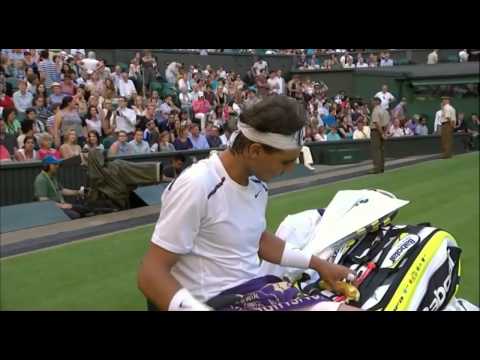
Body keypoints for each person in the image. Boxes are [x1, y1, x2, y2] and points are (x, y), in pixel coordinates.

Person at [137, 95, 357, 312]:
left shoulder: (257, 184)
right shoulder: (196, 184)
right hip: (216, 302)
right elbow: (151, 274)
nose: (290, 169)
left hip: (257, 293)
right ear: (255, 151)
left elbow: (256, 239)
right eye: (286, 161)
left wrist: (320, 264)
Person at [33, 155, 88, 219]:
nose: (57, 166)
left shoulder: (52, 176)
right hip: (51, 209)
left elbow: (62, 190)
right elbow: (43, 200)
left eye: (57, 164)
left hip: (60, 205)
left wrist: (78, 192)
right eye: (55, 164)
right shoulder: (41, 179)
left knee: (84, 209)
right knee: (76, 215)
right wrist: (62, 206)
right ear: (46, 166)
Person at [369, 97, 390, 174]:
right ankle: (381, 168)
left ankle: (376, 168)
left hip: (376, 131)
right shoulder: (384, 110)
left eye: (372, 101)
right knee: (381, 150)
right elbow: (388, 123)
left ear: (377, 102)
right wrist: (385, 133)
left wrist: (381, 133)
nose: (371, 102)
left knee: (376, 150)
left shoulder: (375, 110)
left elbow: (376, 123)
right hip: (383, 130)